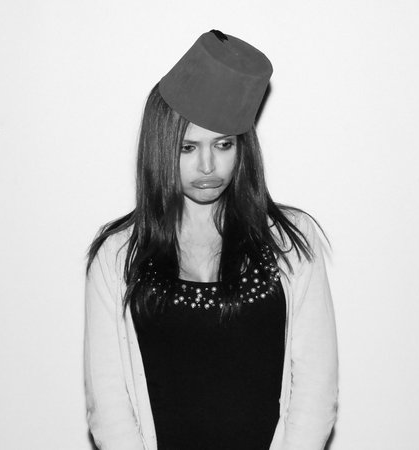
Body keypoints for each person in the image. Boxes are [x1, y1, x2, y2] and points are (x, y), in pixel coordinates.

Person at [84, 30, 338, 450]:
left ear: (242, 147)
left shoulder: (290, 243)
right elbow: (109, 407)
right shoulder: (117, 256)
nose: (208, 166)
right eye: (187, 147)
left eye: (222, 145)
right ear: (161, 147)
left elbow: (315, 392)